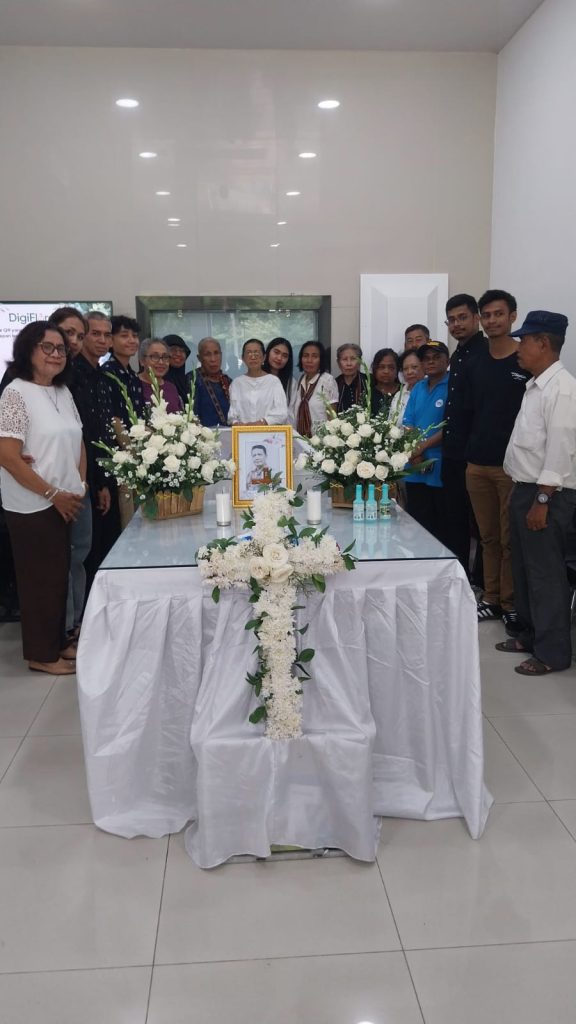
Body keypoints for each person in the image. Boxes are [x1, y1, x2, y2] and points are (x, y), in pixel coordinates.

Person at [0, 321, 86, 675]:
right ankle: (41, 655)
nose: (55, 354)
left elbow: (79, 440)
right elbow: (7, 455)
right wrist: (52, 493)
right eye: (46, 347)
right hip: (33, 503)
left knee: (58, 577)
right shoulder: (16, 393)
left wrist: (79, 484)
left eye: (60, 348)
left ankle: (57, 642)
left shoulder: (63, 392)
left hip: (66, 499)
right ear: (28, 350)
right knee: (39, 580)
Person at [499, 310, 576, 675]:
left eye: (524, 340)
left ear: (543, 343)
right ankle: (529, 636)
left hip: (548, 495)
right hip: (526, 489)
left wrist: (542, 500)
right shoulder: (536, 386)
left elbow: (560, 451)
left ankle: (552, 653)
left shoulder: (562, 389)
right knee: (525, 570)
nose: (518, 347)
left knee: (546, 575)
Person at [463, 290, 531, 631]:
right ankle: (490, 598)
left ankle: (511, 603)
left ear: (512, 316)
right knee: (487, 537)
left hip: (512, 467)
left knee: (509, 540)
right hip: (477, 464)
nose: (492, 321)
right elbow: (468, 413)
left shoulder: (525, 361)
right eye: (486, 315)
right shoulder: (475, 362)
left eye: (498, 314)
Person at [49, 307, 93, 640]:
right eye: (68, 333)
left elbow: (80, 437)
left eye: (79, 335)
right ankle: (61, 631)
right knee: (57, 563)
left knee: (78, 555)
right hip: (46, 491)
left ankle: (75, 625)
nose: (73, 342)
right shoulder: (20, 385)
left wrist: (82, 482)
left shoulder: (65, 384)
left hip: (77, 485)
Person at [442, 293, 487, 574]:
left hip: (475, 452)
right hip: (453, 449)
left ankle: (480, 580)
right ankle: (457, 575)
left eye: (462, 318)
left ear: (476, 318)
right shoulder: (458, 354)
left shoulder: (486, 352)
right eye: (451, 320)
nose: (457, 324)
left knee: (481, 524)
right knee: (454, 517)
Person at [75, 312, 119, 591]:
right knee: (88, 550)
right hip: (85, 474)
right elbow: (85, 433)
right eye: (95, 333)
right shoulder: (73, 376)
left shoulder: (102, 375)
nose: (102, 340)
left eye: (107, 334)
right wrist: (98, 481)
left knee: (105, 544)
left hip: (105, 471)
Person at [402, 342, 450, 543]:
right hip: (414, 463)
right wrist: (415, 450)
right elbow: (408, 422)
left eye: (436, 357)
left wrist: (423, 447)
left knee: (440, 524)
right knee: (417, 523)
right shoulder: (418, 388)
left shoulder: (452, 386)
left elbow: (450, 425)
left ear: (447, 361)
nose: (430, 362)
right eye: (426, 359)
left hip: (439, 464)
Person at [228, 339, 288, 425]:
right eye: (249, 353)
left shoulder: (273, 381)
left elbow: (282, 413)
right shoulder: (237, 383)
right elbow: (232, 414)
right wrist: (236, 423)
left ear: (264, 357)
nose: (253, 357)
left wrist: (262, 422)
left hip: (268, 432)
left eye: (256, 353)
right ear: (243, 358)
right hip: (243, 432)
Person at [290, 340, 338, 437]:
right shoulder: (300, 380)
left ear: (321, 360)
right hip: (300, 439)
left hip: (321, 440)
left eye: (315, 356)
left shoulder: (327, 381)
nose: (309, 360)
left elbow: (332, 418)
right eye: (305, 356)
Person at [193, 336, 231, 426]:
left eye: (216, 353)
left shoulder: (228, 381)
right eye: (207, 354)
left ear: (221, 355)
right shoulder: (192, 380)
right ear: (199, 358)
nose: (213, 359)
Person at [138, 338, 182, 413]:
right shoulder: (134, 385)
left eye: (165, 357)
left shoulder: (171, 387)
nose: (161, 362)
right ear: (142, 361)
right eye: (155, 357)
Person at [389, 348, 426, 425]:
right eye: (405, 369)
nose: (409, 372)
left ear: (424, 366)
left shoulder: (431, 390)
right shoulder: (399, 395)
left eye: (414, 367)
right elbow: (390, 423)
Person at [335, 343, 367, 412]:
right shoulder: (334, 384)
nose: (349, 364)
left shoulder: (369, 381)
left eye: (353, 359)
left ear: (360, 361)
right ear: (338, 363)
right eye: (344, 359)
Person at [263, 338, 295, 404]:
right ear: (268, 352)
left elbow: (291, 408)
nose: (279, 358)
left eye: (284, 356)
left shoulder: (291, 383)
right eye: (276, 352)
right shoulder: (257, 376)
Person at [370, 348, 401, 416]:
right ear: (375, 369)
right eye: (381, 367)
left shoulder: (405, 391)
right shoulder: (368, 394)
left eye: (391, 367)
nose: (386, 371)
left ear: (397, 370)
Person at [163, 334, 191, 405]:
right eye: (173, 349)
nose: (178, 354)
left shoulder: (189, 381)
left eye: (182, 350)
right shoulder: (158, 380)